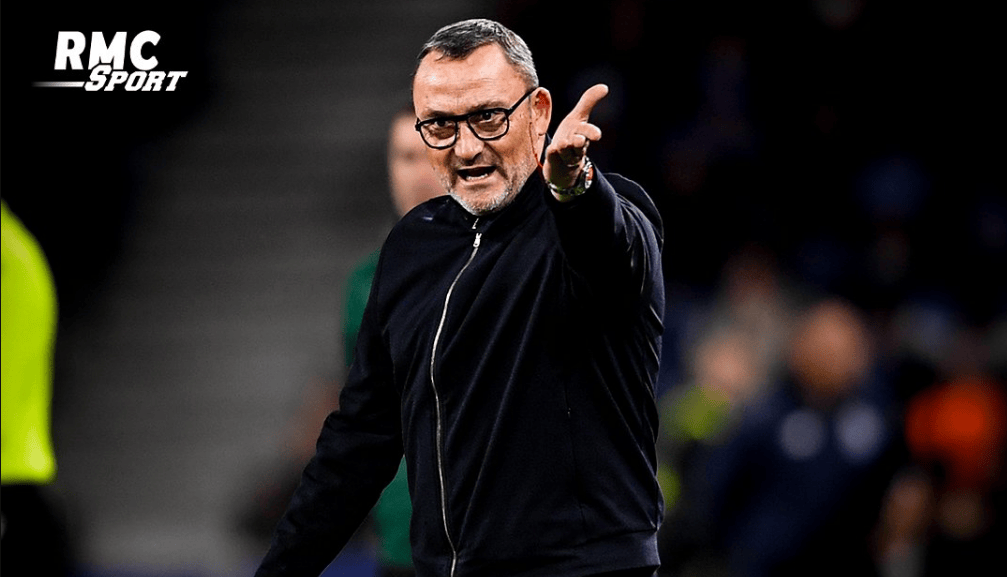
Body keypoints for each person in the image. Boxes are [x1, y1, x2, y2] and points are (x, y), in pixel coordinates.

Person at [256, 18, 665, 577]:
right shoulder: (411, 246)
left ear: (539, 112)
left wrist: (573, 188)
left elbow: (610, 252)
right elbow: (360, 439)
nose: (467, 147)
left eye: (488, 117)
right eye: (441, 125)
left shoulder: (596, 219)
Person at [342, 103, 443, 577]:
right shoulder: (365, 283)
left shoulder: (503, 266)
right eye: (405, 157)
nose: (418, 173)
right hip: (400, 539)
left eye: (429, 155)